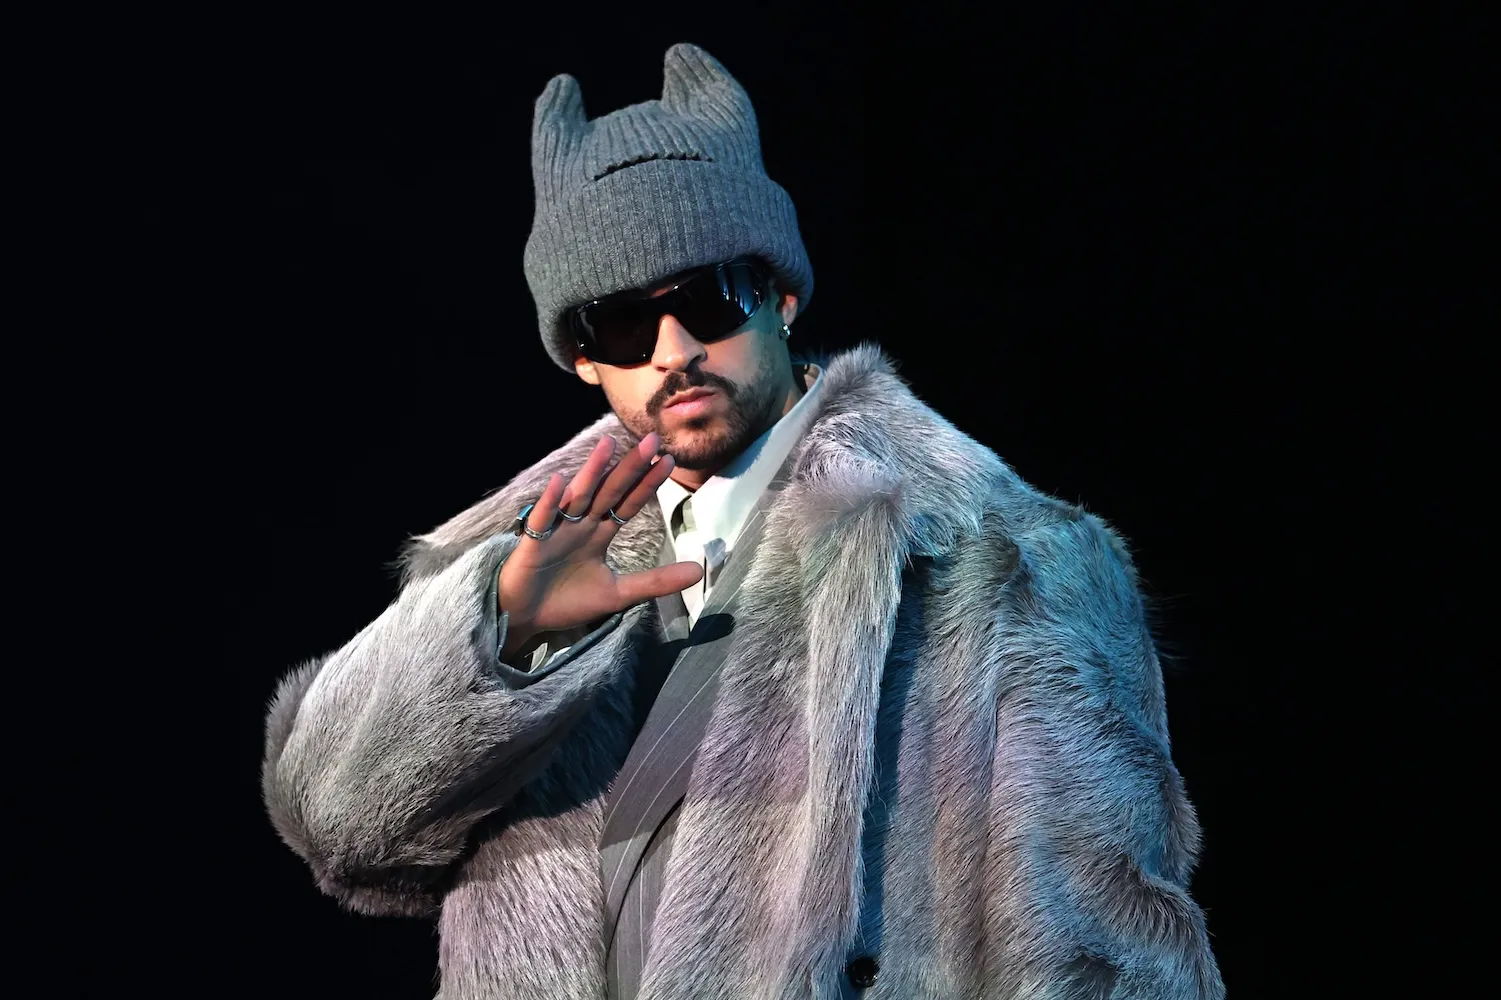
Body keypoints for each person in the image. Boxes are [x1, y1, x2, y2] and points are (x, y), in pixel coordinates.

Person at [261, 42, 1224, 999]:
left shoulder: (997, 556)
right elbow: (345, 840)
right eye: (625, 325)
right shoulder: (510, 565)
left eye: (709, 299)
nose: (675, 349)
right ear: (582, 360)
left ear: (781, 297)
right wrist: (501, 640)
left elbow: (1101, 957)